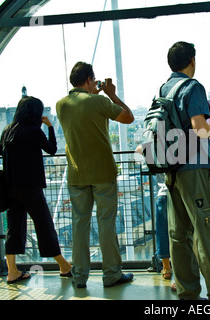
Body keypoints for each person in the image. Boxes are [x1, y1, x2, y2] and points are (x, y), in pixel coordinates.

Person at [162, 41, 210, 300]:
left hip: (172, 170)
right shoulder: (193, 87)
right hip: (195, 169)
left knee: (179, 235)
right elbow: (199, 128)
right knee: (208, 233)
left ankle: (187, 293)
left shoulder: (165, 88)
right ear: (192, 60)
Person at [56, 62, 134, 288]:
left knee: (80, 225)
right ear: (90, 80)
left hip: (76, 175)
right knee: (106, 224)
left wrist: (94, 93)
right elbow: (128, 117)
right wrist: (112, 95)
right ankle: (111, 274)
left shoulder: (61, 105)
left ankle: (79, 276)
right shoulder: (100, 101)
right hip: (102, 173)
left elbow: (82, 109)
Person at [0, 96, 72, 284]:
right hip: (31, 187)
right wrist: (49, 127)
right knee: (44, 226)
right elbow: (52, 149)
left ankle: (12, 271)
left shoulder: (8, 131)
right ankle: (63, 265)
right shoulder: (34, 131)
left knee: (14, 229)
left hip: (11, 188)